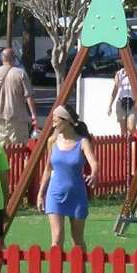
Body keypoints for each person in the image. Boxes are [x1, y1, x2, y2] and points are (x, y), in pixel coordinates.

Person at [36, 105, 97, 252]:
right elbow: (48, 169)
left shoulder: (82, 142)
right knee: (56, 239)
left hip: (76, 196)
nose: (53, 124)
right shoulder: (53, 141)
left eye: (56, 121)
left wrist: (94, 174)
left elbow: (93, 162)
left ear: (66, 121)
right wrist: (40, 193)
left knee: (77, 240)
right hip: (55, 194)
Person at [0, 48, 38, 145]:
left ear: (1, 59)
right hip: (18, 116)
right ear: (14, 58)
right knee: (19, 146)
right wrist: (33, 115)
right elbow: (29, 96)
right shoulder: (20, 73)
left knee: (3, 146)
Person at [108, 64, 137, 135]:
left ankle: (131, 139)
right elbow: (115, 89)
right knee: (123, 128)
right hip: (121, 101)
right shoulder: (119, 74)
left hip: (133, 102)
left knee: (131, 127)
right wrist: (110, 105)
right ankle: (125, 145)